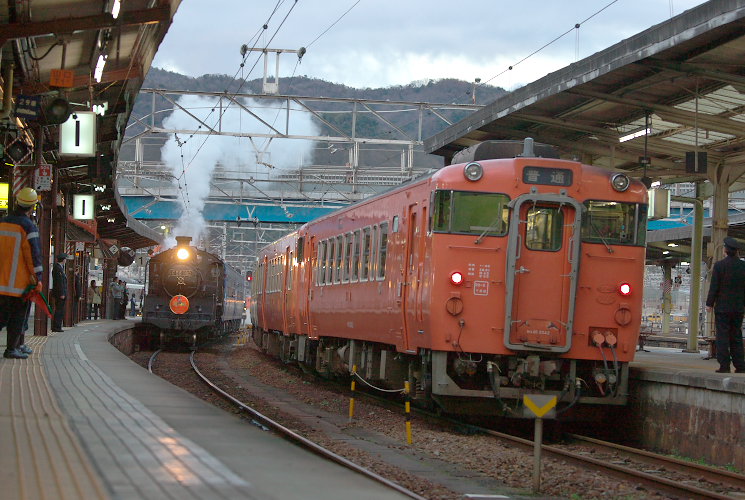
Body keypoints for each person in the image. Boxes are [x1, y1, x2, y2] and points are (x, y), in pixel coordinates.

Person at [0, 187, 44, 359]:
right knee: (17, 318)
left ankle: (15, 347)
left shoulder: (2, 222)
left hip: (1, 282)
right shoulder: (28, 226)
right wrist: (38, 279)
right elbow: (33, 256)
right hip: (18, 285)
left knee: (1, 317)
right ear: (32, 206)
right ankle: (12, 349)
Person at [705, 236, 745, 374]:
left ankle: (724, 366)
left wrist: (709, 303)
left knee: (722, 337)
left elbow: (714, 286)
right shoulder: (743, 267)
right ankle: (740, 366)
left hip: (722, 308)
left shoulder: (719, 266)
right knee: (736, 336)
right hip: (738, 308)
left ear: (726, 250)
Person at [51, 253, 68, 332]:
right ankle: (56, 327)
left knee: (60, 310)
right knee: (59, 310)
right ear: (63, 260)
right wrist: (62, 293)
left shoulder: (60, 268)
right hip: (60, 294)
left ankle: (58, 326)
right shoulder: (57, 268)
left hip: (61, 293)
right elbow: (59, 282)